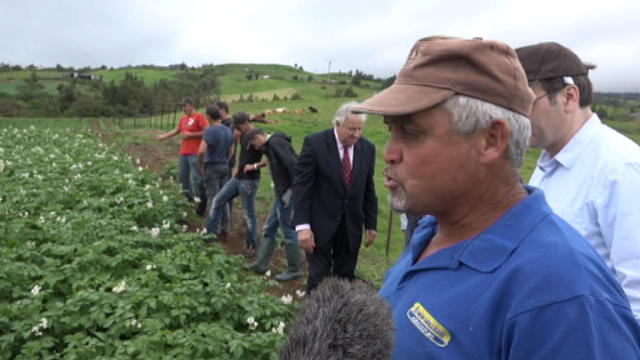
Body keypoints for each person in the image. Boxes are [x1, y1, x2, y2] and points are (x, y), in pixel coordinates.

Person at [353, 36, 640, 359]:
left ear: (491, 140)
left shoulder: (562, 299)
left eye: (412, 132)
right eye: (391, 130)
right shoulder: (433, 230)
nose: (389, 153)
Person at [515, 42, 640, 320]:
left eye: (525, 104)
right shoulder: (549, 164)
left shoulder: (621, 169)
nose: (516, 119)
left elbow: (637, 295)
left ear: (569, 97)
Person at [292, 101, 378, 292]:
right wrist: (303, 226)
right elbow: (302, 187)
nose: (356, 134)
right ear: (337, 124)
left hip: (350, 227)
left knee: (345, 279)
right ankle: (314, 319)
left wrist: (371, 223)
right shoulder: (315, 144)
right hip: (319, 226)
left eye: (360, 129)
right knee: (318, 279)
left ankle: (338, 319)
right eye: (351, 129)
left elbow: (368, 188)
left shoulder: (367, 149)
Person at [244, 128, 303, 281]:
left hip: (287, 193)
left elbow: (293, 165)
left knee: (288, 229)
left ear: (258, 137)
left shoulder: (276, 143)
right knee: (270, 227)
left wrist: (290, 193)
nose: (256, 148)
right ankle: (261, 263)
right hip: (281, 192)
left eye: (254, 143)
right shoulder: (272, 144)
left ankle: (294, 269)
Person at [205, 111, 265, 257]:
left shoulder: (258, 135)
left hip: (249, 181)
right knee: (218, 200)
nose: (236, 130)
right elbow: (243, 156)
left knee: (248, 214)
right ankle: (210, 235)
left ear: (245, 124)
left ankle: (252, 245)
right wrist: (237, 170)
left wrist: (255, 166)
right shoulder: (243, 134)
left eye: (238, 127)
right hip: (238, 178)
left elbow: (272, 156)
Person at [157, 96, 208, 215]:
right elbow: (176, 130)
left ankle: (201, 203)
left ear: (190, 105)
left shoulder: (199, 117)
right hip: (184, 152)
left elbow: (206, 131)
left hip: (195, 152)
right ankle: (190, 200)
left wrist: (191, 135)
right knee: (183, 177)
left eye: (184, 106)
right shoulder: (184, 119)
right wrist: (163, 136)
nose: (183, 108)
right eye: (182, 106)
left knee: (197, 178)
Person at [197, 104, 233, 241]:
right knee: (223, 199)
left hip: (212, 167)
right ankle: (225, 230)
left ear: (208, 116)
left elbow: (201, 151)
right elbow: (232, 149)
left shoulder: (210, 131)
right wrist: (226, 161)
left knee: (213, 199)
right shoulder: (227, 130)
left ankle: (212, 232)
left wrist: (200, 165)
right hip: (224, 166)